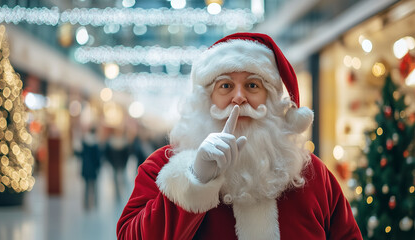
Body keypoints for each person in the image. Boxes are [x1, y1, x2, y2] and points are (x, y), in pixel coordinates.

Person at [117, 33, 362, 239]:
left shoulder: (312, 174)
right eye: (225, 86)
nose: (239, 97)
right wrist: (194, 183)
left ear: (271, 99)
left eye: (253, 85)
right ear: (206, 99)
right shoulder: (162, 165)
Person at [79, 127, 102, 210]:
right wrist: (98, 166)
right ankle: (95, 203)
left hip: (86, 167)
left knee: (86, 187)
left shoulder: (84, 142)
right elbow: (97, 158)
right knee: (94, 186)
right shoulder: (96, 144)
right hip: (93, 168)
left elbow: (80, 155)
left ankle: (86, 204)